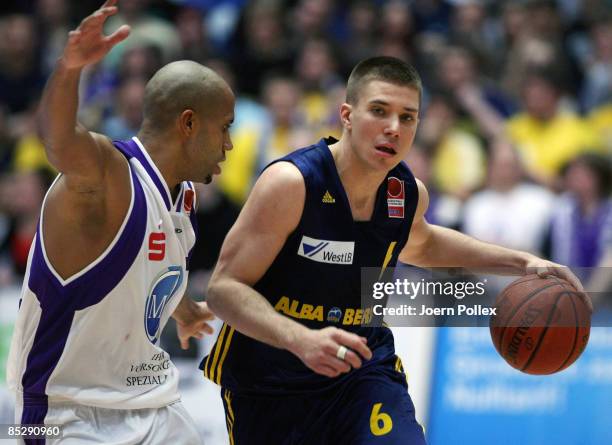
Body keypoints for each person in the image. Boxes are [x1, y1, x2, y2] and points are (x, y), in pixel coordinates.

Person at [203, 56, 590, 444]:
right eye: (379, 111)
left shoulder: (405, 193)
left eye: (407, 117)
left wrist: (522, 261)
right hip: (270, 381)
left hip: (361, 372)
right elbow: (223, 289)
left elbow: (423, 243)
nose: (393, 128)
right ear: (347, 115)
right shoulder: (291, 184)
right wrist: (300, 339)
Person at [6, 1, 235, 443]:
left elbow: (144, 274)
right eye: (223, 127)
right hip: (68, 413)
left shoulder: (182, 195)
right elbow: (58, 141)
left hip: (150, 403)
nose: (229, 143)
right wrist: (70, 69)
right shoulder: (108, 174)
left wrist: (180, 306)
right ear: (188, 124)